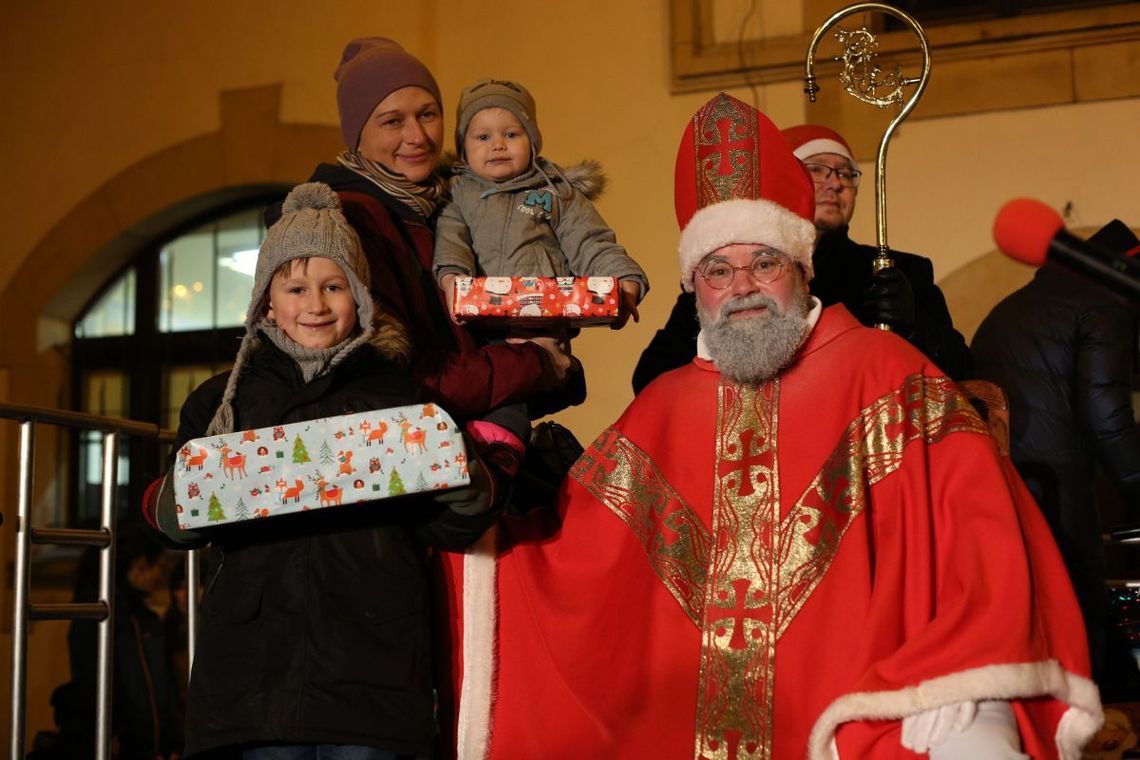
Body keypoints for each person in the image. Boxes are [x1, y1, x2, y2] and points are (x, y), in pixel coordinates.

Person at [459, 93, 1101, 759]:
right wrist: (465, 518)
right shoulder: (663, 406)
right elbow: (571, 563)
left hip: (866, 701)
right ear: (694, 288)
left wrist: (964, 670)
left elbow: (981, 528)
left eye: (764, 262)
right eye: (718, 270)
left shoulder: (882, 370)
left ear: (799, 267)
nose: (741, 286)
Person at [148, 182, 502, 759]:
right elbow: (177, 523)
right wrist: (173, 503)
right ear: (267, 301)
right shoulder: (222, 404)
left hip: (373, 678)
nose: (315, 305)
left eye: (333, 287)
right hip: (251, 686)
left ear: (360, 297)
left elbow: (444, 528)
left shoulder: (402, 401)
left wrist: (470, 482)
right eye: (295, 288)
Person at [292, 39, 578, 423]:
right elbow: (400, 381)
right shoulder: (343, 223)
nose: (418, 137)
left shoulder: (452, 203)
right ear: (357, 135)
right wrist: (534, 363)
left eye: (427, 115)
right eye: (393, 121)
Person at [631, 122, 971, 393]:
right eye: (818, 169)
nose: (835, 183)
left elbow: (963, 373)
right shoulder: (726, 274)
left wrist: (915, 325)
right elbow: (652, 379)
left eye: (846, 173)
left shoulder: (901, 271)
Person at [432, 77, 649, 461]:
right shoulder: (459, 195)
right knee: (495, 395)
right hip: (483, 329)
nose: (497, 144)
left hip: (542, 323)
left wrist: (624, 281)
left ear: (533, 140)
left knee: (532, 382)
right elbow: (452, 240)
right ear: (464, 148)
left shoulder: (555, 193)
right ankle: (499, 451)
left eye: (511, 133)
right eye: (482, 137)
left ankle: (504, 452)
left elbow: (590, 241)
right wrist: (452, 279)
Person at [971, 218, 1140, 701]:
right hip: (1058, 478)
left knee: (1037, 609)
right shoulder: (1103, 303)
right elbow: (1107, 416)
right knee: (1080, 606)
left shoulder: (1017, 303)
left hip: (1004, 481)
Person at [67, 520, 182, 760]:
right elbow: (92, 681)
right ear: (139, 565)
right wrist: (118, 732)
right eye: (158, 567)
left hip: (149, 745)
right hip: (123, 745)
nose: (161, 577)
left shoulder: (143, 617)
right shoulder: (99, 614)